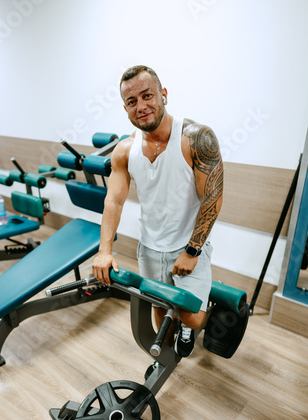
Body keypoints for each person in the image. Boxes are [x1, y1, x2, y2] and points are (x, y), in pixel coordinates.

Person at [92, 65, 223, 357]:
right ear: (125, 108)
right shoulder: (125, 150)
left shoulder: (195, 138)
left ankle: (188, 327)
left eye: (147, 95)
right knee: (159, 306)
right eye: (132, 101)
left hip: (188, 246)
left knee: (191, 316)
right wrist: (104, 250)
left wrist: (193, 251)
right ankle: (167, 350)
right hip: (150, 247)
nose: (141, 106)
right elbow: (113, 201)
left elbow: (213, 196)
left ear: (163, 95)